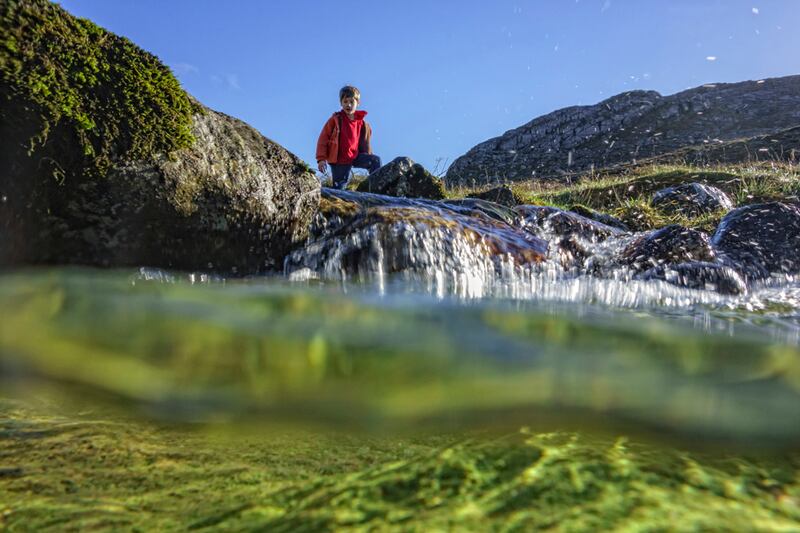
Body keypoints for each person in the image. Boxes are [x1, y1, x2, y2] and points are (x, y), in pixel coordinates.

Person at [316, 85, 381, 189]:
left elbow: (365, 142)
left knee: (375, 161)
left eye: (351, 102)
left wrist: (368, 153)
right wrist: (321, 159)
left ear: (358, 103)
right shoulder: (336, 119)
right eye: (345, 102)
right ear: (341, 103)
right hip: (339, 160)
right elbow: (323, 139)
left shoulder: (361, 123)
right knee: (339, 189)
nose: (348, 105)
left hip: (354, 157)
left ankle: (376, 189)